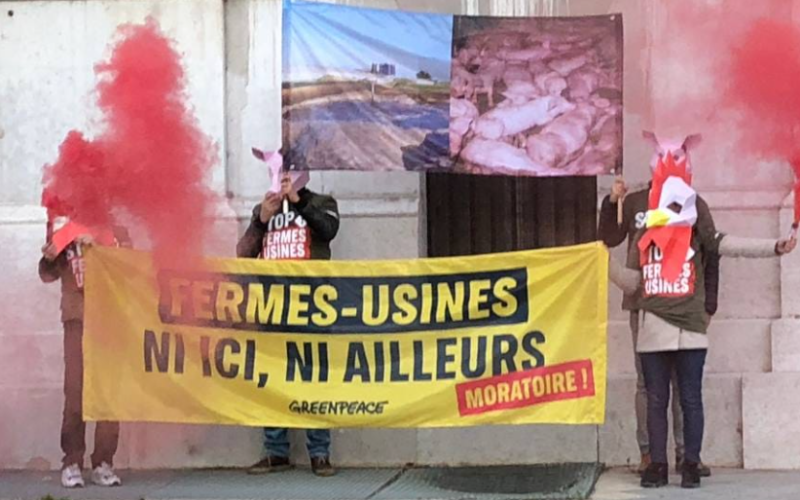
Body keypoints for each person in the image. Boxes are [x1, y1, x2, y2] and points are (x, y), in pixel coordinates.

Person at [607, 138, 797, 489]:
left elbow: (730, 245)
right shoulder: (646, 238)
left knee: (690, 397)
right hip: (653, 331)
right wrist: (600, 260)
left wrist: (774, 247)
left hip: (691, 329)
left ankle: (690, 464)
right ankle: (657, 466)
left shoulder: (700, 236)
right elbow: (634, 281)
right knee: (657, 398)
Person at [598, 178, 717, 477]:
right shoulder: (636, 200)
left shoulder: (694, 201)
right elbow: (610, 237)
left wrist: (709, 304)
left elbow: (712, 250)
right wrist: (612, 203)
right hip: (644, 306)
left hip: (685, 310)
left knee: (685, 388)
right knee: (649, 387)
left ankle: (686, 456)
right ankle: (650, 455)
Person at [237, 170, 340, 477]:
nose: (282, 179)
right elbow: (243, 253)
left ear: (303, 178)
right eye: (279, 173)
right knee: (273, 379)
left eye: (289, 174)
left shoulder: (322, 202)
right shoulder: (264, 208)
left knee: (315, 379)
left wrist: (299, 202)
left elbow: (329, 229)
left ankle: (319, 453)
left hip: (313, 306)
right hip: (274, 307)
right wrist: (261, 219)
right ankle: (276, 451)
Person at [40, 227, 131, 488]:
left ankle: (103, 462)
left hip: (109, 321)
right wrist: (49, 256)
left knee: (109, 394)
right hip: (77, 322)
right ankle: (72, 462)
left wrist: (103, 247)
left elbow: (131, 268)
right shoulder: (64, 231)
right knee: (75, 392)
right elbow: (47, 274)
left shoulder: (116, 231)